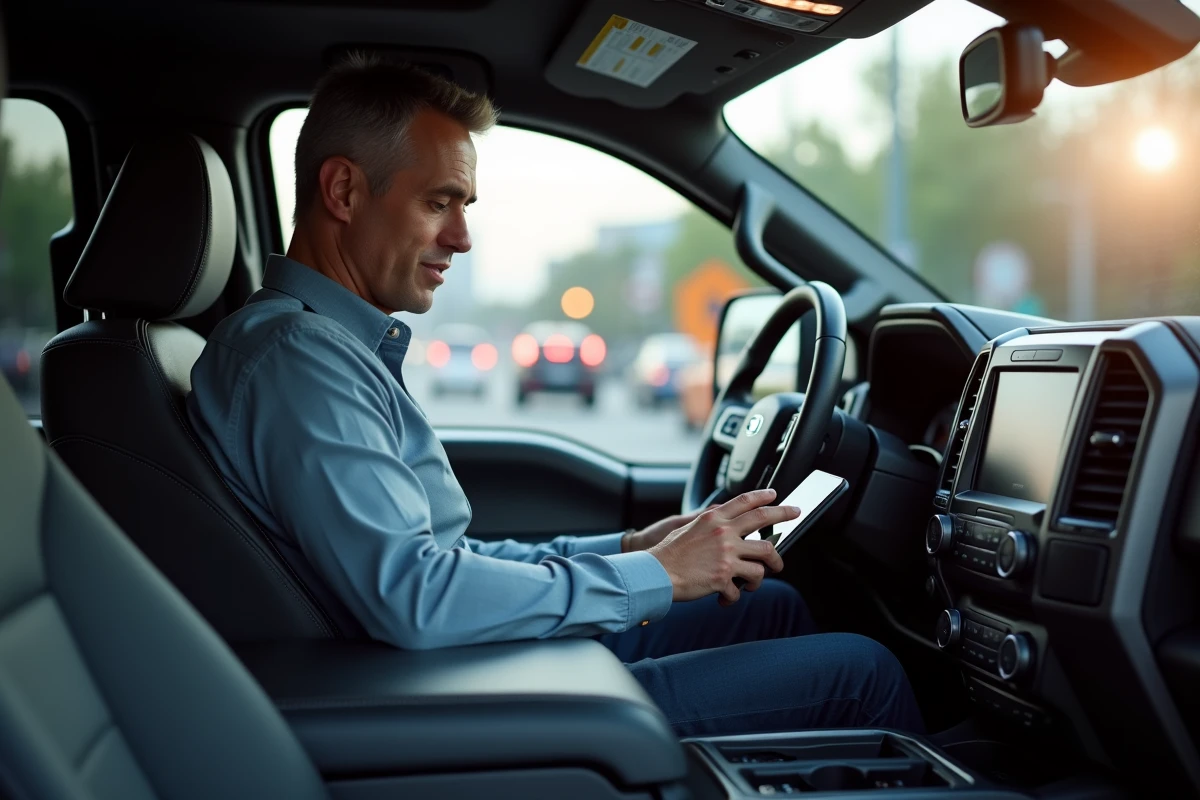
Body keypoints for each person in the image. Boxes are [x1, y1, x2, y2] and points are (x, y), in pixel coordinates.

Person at [187, 54, 923, 736]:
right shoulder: (297, 359)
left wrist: (635, 549)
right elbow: (414, 595)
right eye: (440, 202)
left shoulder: (321, 347)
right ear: (344, 191)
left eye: (465, 206)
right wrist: (661, 574)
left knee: (771, 608)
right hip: (435, 694)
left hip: (447, 663)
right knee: (862, 674)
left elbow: (443, 557)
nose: (462, 237)